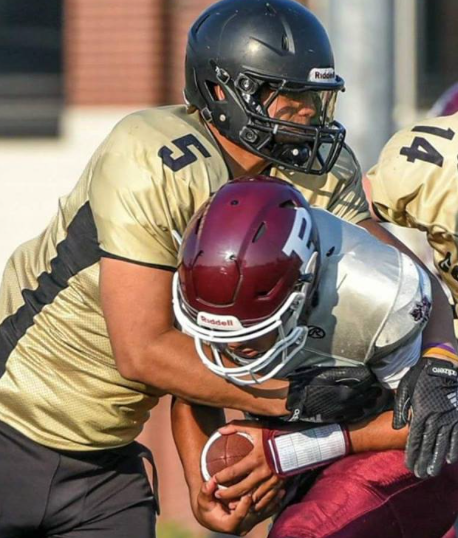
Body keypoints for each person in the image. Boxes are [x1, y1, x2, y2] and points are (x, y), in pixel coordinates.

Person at [0, 0, 455, 535]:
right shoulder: (153, 154)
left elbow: (409, 281)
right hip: (10, 421)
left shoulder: (317, 172)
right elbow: (144, 350)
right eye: (288, 96)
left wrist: (441, 359)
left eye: (315, 97)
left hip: (106, 464)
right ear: (221, 92)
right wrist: (295, 399)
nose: (308, 114)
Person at [172, 176, 458, 538]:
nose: (236, 345)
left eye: (254, 328)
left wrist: (288, 452)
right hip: (310, 434)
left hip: (407, 445)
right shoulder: (209, 275)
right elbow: (193, 388)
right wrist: (207, 493)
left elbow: (432, 417)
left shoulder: (378, 294)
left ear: (303, 286)